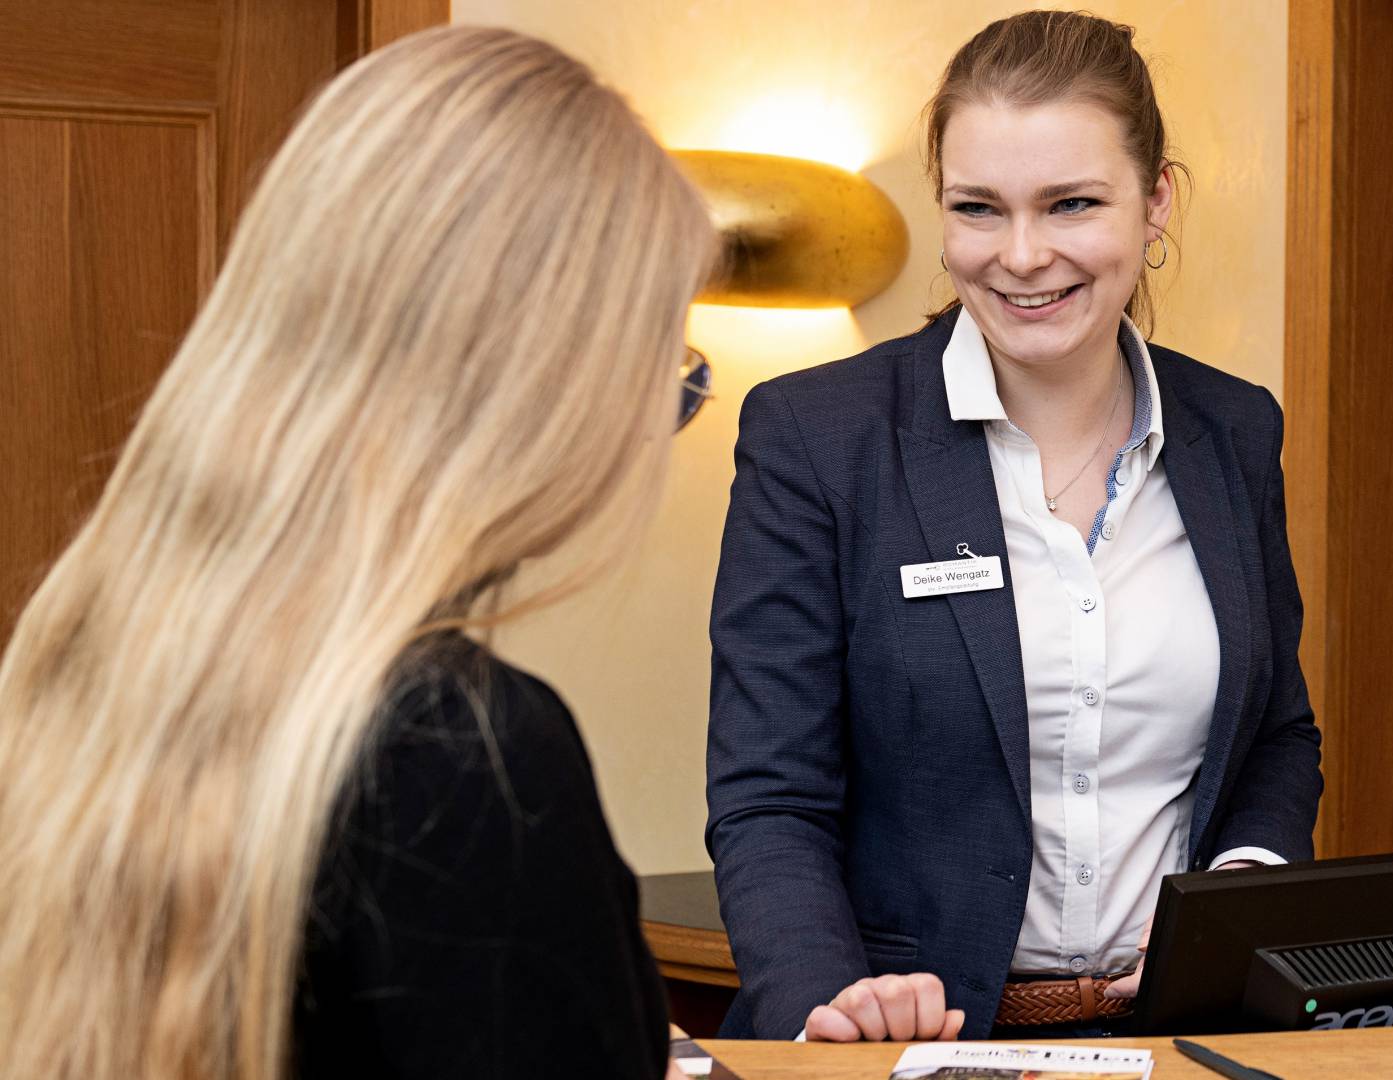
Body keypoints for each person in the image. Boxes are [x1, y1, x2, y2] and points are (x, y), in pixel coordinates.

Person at [0, 26, 714, 1080]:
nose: (661, 417)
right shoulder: (467, 754)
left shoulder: (81, 664)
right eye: (668, 365)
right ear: (545, 382)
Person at [706, 10, 1322, 1043]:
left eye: (1072, 204)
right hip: (912, 1050)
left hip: (1178, 1040)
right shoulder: (819, 437)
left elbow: (1273, 734)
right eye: (979, 210)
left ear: (1156, 200)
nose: (1023, 256)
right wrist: (833, 1005)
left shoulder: (1233, 431)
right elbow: (771, 799)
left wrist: (1237, 906)